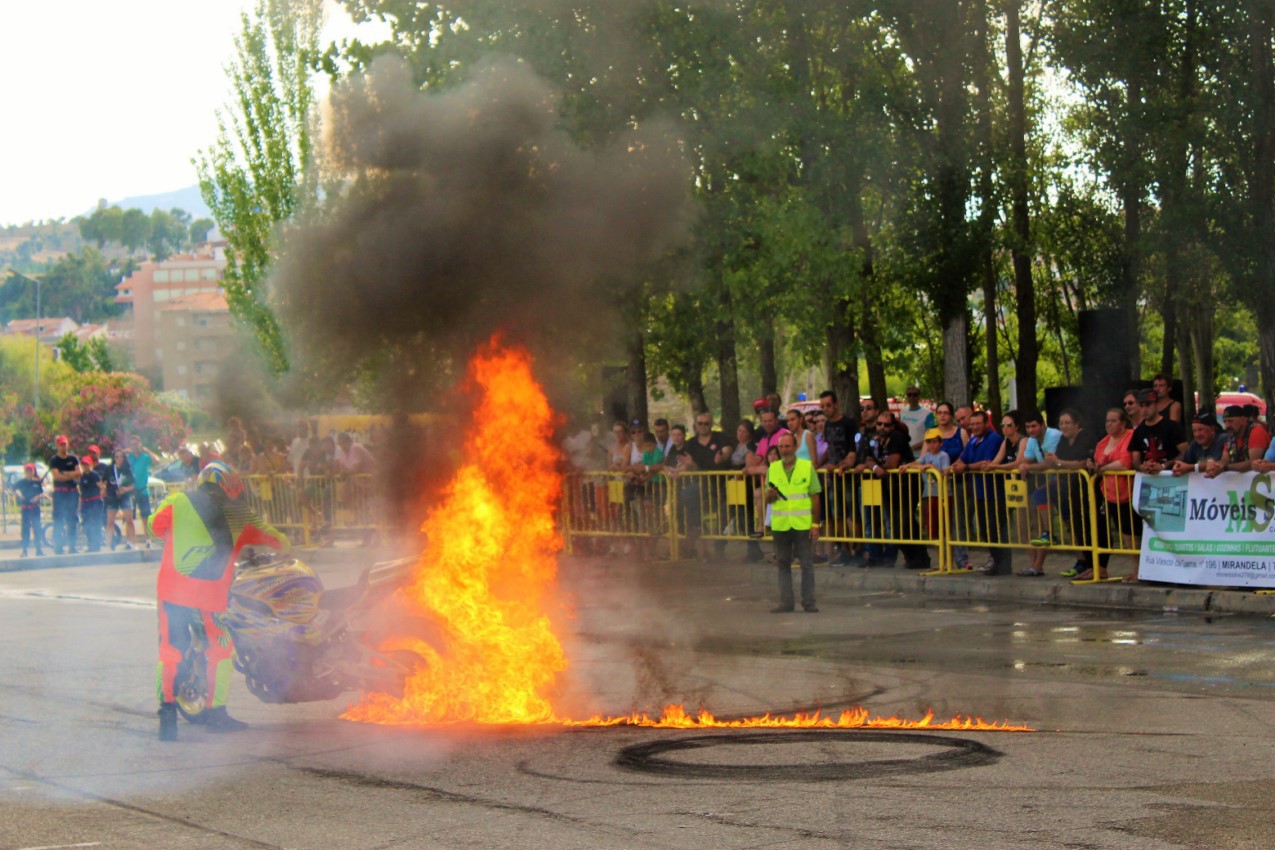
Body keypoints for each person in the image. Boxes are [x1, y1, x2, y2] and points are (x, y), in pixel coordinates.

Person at [151, 461, 290, 741]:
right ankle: (216, 713)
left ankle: (167, 716)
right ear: (231, 487)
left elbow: (155, 527)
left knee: (170, 651)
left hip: (172, 591)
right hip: (210, 597)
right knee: (221, 648)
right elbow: (278, 541)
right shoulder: (241, 515)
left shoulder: (178, 500)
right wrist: (284, 548)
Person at [765, 433, 822, 613]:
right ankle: (786, 602)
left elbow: (815, 497)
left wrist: (815, 525)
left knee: (806, 564)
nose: (784, 450)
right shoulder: (773, 468)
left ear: (795, 447)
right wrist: (770, 496)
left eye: (787, 446)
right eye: (781, 447)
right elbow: (768, 498)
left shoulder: (806, 467)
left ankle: (808, 602)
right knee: (783, 564)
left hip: (801, 524)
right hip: (781, 524)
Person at [1084, 407, 1139, 583]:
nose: (1109, 424)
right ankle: (1100, 567)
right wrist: (1094, 467)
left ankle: (1138, 569)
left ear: (1123, 423)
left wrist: (1103, 468)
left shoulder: (1130, 436)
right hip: (1106, 493)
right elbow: (1097, 463)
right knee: (1105, 529)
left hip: (1127, 492)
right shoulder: (1102, 442)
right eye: (1107, 420)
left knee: (1130, 533)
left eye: (1113, 420)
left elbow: (1125, 463)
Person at [950, 411, 1009, 575]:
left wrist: (967, 467)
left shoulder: (994, 439)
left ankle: (1003, 564)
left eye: (978, 424)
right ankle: (996, 561)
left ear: (985, 423)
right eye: (972, 424)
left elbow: (986, 463)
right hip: (980, 492)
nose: (974, 427)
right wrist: (954, 467)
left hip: (995, 492)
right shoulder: (973, 440)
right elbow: (963, 458)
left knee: (996, 528)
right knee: (984, 529)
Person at [1049, 410, 1099, 578]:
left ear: (1077, 424)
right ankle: (1085, 563)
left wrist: (1059, 463)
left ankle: (1096, 565)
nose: (1064, 426)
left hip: (1086, 488)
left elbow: (1081, 462)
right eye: (1061, 423)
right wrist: (1059, 463)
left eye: (1067, 422)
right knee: (1076, 527)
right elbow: (1060, 461)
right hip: (1069, 490)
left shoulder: (1085, 437)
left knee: (1089, 525)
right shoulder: (1063, 440)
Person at [819, 391, 860, 566]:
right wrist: (820, 464)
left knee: (853, 514)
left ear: (836, 404)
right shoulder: (827, 425)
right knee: (837, 515)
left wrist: (843, 465)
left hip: (847, 475)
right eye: (822, 406)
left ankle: (858, 550)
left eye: (828, 405)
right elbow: (829, 448)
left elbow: (853, 450)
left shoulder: (849, 423)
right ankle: (844, 550)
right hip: (833, 476)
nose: (825, 409)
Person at [908, 428, 951, 543]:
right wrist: (906, 466)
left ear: (940, 442)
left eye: (935, 441)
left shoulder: (944, 456)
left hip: (943, 496)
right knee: (932, 529)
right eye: (929, 442)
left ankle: (948, 557)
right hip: (930, 495)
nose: (932, 444)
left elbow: (945, 473)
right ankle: (941, 555)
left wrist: (932, 467)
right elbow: (916, 463)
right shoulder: (927, 456)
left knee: (945, 528)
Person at [1131, 389, 1187, 473]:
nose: (1144, 409)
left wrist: (1164, 465)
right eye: (1141, 405)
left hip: (1172, 479)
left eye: (1148, 405)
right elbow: (1136, 462)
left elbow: (1186, 453)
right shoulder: (1138, 431)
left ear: (1157, 405)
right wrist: (1142, 467)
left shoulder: (1173, 427)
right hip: (1147, 481)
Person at [127, 435, 162, 548]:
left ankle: (148, 540)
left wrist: (147, 450)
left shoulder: (145, 457)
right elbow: (116, 460)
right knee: (129, 518)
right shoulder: (129, 457)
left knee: (145, 517)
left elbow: (157, 461)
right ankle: (131, 542)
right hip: (131, 491)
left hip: (142, 490)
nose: (134, 446)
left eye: (136, 444)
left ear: (140, 444)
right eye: (132, 444)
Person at [48, 435, 81, 555]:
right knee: (58, 520)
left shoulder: (73, 459)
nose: (63, 446)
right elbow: (57, 476)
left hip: (72, 493)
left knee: (72, 520)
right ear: (57, 445)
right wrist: (70, 475)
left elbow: (79, 473)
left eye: (65, 444)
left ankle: (72, 546)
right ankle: (58, 547)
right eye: (61, 444)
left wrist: (65, 473)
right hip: (60, 493)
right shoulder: (54, 460)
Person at [105, 448, 137, 550]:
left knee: (129, 521)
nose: (119, 458)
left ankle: (130, 543)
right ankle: (108, 545)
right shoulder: (109, 469)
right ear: (114, 458)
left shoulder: (127, 469)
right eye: (116, 456)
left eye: (121, 456)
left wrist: (125, 489)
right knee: (110, 522)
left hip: (125, 497)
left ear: (124, 458)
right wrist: (103, 490)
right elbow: (103, 481)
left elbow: (133, 485)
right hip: (112, 497)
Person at [15, 463, 45, 557]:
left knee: (37, 529)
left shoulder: (37, 482)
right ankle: (25, 550)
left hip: (35, 509)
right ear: (25, 472)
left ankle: (39, 549)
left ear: (33, 471)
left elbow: (42, 493)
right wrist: (20, 496)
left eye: (30, 470)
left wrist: (37, 497)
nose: (29, 472)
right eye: (27, 470)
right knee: (25, 530)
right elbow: (12, 488)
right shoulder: (22, 482)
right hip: (26, 509)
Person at [78, 456, 105, 553]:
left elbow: (101, 486)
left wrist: (102, 494)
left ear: (91, 465)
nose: (85, 466)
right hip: (86, 503)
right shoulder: (82, 477)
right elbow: (81, 493)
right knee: (87, 526)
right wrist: (79, 507)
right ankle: (90, 545)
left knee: (96, 525)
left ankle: (97, 545)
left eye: (87, 464)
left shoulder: (95, 475)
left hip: (95, 502)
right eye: (83, 464)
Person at [899, 386, 936, 454]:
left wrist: (913, 448)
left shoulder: (927, 413)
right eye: (909, 395)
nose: (912, 397)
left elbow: (930, 436)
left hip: (921, 453)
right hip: (905, 453)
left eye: (914, 395)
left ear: (919, 397)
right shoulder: (902, 412)